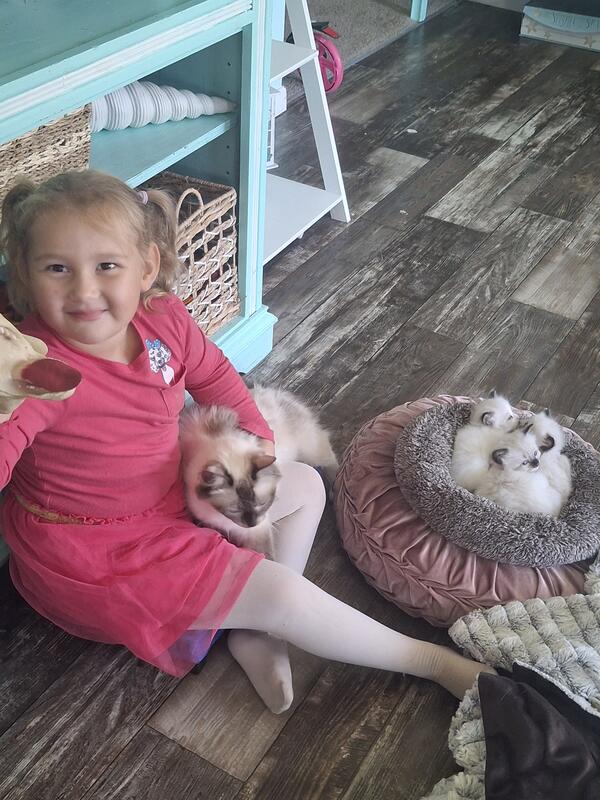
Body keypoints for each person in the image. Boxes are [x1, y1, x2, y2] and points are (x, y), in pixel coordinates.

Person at [0, 170, 491, 714]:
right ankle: (434, 663)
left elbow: (216, 377)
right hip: (101, 553)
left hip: (171, 501)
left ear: (147, 267)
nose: (84, 291)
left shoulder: (163, 319)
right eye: (57, 269)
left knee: (305, 486)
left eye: (106, 266)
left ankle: (256, 630)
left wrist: (256, 444)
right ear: (26, 274)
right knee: (281, 594)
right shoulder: (36, 373)